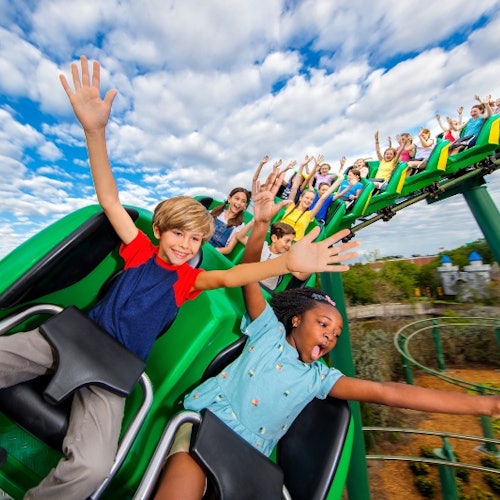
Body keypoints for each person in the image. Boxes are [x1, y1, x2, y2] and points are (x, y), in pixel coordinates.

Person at [0, 55, 350, 500]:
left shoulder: (189, 281)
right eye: (178, 234)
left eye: (195, 239)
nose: (186, 245)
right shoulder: (139, 249)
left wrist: (286, 264)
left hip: (113, 372)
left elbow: (235, 276)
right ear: (160, 231)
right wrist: (94, 132)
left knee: (91, 468)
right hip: (69, 337)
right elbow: (109, 198)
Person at [154, 172, 500, 500]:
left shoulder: (319, 378)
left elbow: (387, 392)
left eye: (336, 333)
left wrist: (484, 404)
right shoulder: (266, 332)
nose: (331, 336)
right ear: (295, 321)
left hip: (248, 457)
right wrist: (260, 223)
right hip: (206, 425)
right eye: (323, 325)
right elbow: (248, 273)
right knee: (186, 474)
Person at [259, 222, 310, 291]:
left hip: (264, 291)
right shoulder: (262, 246)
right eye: (287, 241)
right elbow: (240, 236)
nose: (289, 245)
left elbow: (301, 276)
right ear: (274, 238)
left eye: (291, 242)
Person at [208, 186, 251, 255]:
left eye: (243, 201)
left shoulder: (240, 225)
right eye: (237, 199)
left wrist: (214, 251)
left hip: (214, 252)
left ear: (245, 206)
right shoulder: (216, 212)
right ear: (229, 199)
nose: (239, 203)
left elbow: (228, 249)